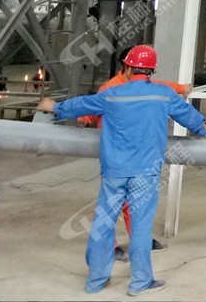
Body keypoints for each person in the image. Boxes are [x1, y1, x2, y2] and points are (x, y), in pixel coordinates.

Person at [38, 45, 206, 296]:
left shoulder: (112, 94)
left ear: (128, 68)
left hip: (114, 170)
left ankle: (96, 281)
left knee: (103, 223)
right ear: (151, 71)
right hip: (146, 170)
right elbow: (185, 114)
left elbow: (82, 104)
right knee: (141, 226)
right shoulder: (162, 94)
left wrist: (55, 106)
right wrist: (203, 127)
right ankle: (140, 283)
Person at [76, 47, 193, 262]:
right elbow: (93, 106)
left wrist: (182, 88)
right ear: (127, 66)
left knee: (134, 204)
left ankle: (141, 241)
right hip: (116, 156)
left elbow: (163, 86)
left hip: (137, 155)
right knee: (113, 204)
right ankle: (109, 248)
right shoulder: (111, 87)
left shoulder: (142, 84)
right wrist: (85, 118)